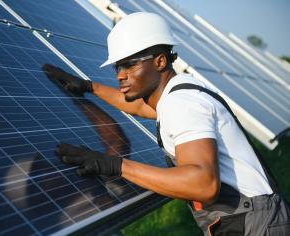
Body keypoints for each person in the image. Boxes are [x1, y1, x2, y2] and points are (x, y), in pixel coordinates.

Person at [44, 12, 290, 235]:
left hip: (252, 224)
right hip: (254, 216)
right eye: (118, 66)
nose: (120, 74)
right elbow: (140, 107)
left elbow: (203, 184)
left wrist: (117, 165)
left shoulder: (181, 104)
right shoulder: (179, 92)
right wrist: (90, 87)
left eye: (130, 63)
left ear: (160, 61)